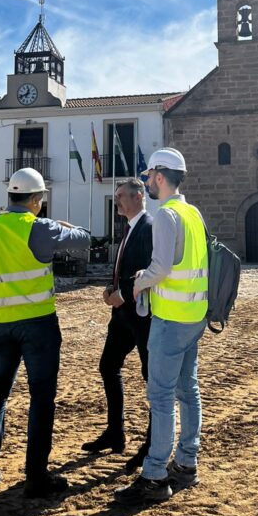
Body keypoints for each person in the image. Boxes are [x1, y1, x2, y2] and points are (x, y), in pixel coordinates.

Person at [0, 168, 90, 497]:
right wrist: (64, 227)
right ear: (35, 200)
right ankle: (36, 476)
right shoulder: (41, 228)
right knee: (41, 398)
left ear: (9, 197)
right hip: (38, 325)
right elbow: (85, 239)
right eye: (41, 201)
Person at [115, 148, 208, 506]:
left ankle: (154, 475)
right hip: (194, 316)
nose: (146, 182)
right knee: (188, 389)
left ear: (158, 175)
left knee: (161, 396)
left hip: (170, 319)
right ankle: (186, 463)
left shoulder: (168, 215)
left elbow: (162, 268)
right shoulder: (192, 212)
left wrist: (138, 282)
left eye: (147, 176)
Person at [82, 178, 154, 472]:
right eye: (115, 196)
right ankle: (115, 432)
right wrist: (110, 289)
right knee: (107, 366)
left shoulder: (148, 227)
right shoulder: (129, 228)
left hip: (142, 316)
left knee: (153, 381)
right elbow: (125, 266)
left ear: (138, 197)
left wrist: (121, 293)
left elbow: (147, 270)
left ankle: (152, 445)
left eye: (121, 195)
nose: (117, 201)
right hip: (122, 316)